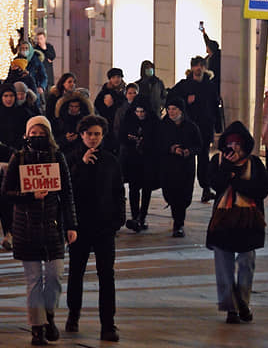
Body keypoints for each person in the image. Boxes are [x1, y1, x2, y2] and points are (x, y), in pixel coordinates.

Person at [1, 115, 77, 347]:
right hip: (26, 227)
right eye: (32, 134)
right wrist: (29, 196)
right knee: (33, 280)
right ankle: (37, 327)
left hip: (53, 227)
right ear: (26, 135)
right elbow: (6, 192)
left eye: (41, 134)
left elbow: (67, 194)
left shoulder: (58, 157)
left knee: (55, 276)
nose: (36, 138)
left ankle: (49, 314)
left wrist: (72, 224)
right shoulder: (19, 157)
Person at [64, 115, 125, 342]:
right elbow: (67, 189)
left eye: (97, 134)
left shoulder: (110, 160)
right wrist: (81, 163)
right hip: (79, 227)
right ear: (82, 135)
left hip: (104, 227)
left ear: (102, 136)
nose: (92, 138)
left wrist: (117, 219)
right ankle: (73, 314)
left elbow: (118, 191)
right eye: (89, 134)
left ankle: (108, 324)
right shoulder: (71, 158)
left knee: (106, 275)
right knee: (76, 273)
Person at [206, 121, 268, 324]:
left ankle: (242, 302)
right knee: (223, 265)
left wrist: (235, 180)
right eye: (230, 143)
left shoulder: (254, 164)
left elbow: (262, 189)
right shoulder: (218, 161)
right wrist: (227, 169)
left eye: (237, 144)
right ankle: (231, 308)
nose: (233, 147)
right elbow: (214, 184)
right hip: (223, 220)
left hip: (248, 220)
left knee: (246, 262)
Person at [171, 56, 219, 203]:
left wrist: (217, 126)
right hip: (189, 128)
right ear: (192, 68)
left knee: (204, 157)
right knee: (187, 158)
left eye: (201, 66)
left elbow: (215, 106)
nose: (199, 68)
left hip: (205, 127)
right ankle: (183, 189)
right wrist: (186, 101)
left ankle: (206, 188)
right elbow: (172, 99)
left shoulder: (210, 85)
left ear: (204, 68)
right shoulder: (184, 85)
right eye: (196, 66)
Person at [158, 95, 202, 237]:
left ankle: (179, 223)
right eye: (169, 109)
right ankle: (177, 219)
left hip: (185, 166)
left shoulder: (191, 126)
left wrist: (189, 151)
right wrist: (171, 149)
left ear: (181, 110)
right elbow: (156, 144)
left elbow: (199, 145)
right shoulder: (162, 125)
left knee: (183, 195)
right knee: (170, 193)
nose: (171, 112)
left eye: (174, 109)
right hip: (168, 166)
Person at [119, 97, 159, 232]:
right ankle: (135, 216)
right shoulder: (129, 119)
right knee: (134, 188)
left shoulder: (154, 121)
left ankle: (142, 217)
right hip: (133, 160)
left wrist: (146, 142)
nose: (140, 114)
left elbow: (158, 140)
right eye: (138, 112)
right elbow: (122, 136)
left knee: (147, 189)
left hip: (148, 160)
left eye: (143, 112)